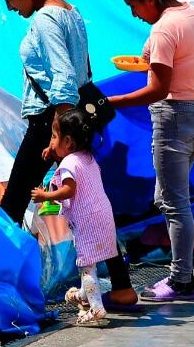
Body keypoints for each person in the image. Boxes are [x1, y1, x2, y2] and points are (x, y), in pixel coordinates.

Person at [107, 0, 194, 302]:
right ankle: (184, 261)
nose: (134, 15)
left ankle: (181, 281)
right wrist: (156, 64)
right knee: (170, 198)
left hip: (174, 119)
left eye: (134, 7)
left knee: (174, 204)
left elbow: (157, 89)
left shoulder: (165, 28)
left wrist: (111, 103)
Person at [30, 109, 128, 328]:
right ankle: (82, 294)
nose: (51, 143)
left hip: (87, 221)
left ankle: (96, 308)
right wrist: (52, 149)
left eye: (54, 137)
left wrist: (45, 195)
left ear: (68, 141)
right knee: (91, 261)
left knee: (86, 266)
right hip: (103, 215)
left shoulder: (68, 165)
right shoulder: (88, 158)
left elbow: (68, 191)